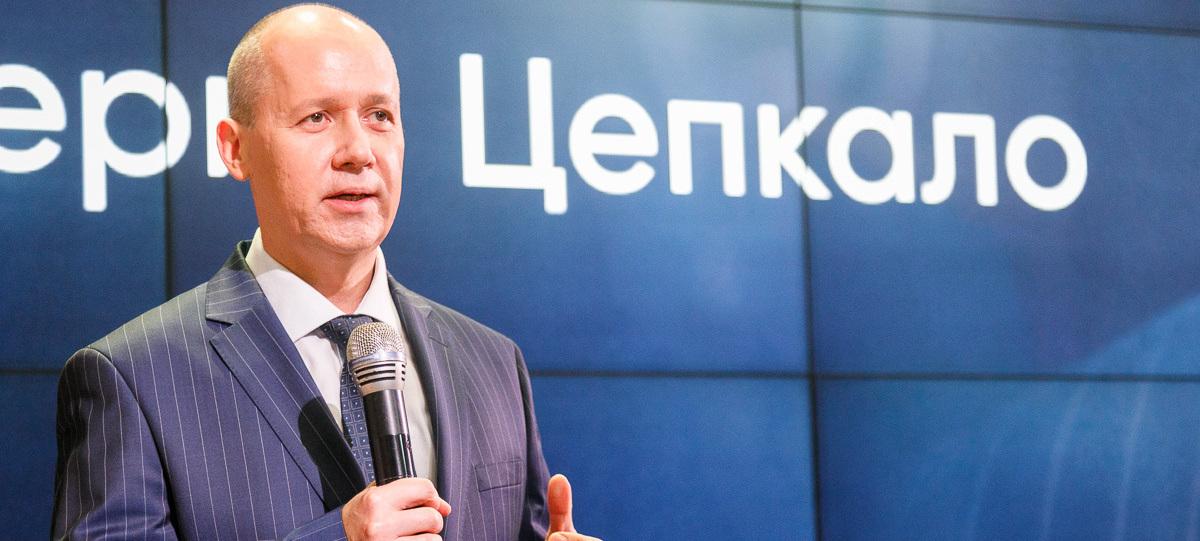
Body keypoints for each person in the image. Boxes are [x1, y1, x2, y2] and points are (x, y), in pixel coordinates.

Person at [52, 4, 599, 540]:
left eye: (379, 116)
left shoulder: (493, 361)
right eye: (317, 117)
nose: (358, 151)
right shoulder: (133, 377)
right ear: (235, 149)